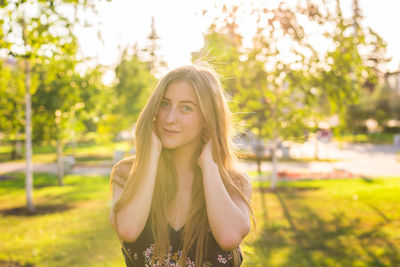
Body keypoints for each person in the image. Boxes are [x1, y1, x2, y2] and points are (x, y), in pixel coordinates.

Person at [109, 64, 253, 267]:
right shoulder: (126, 174)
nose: (169, 118)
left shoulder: (234, 182)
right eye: (165, 104)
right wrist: (151, 154)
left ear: (207, 118)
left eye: (186, 108)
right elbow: (128, 230)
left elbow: (229, 237)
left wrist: (209, 166)